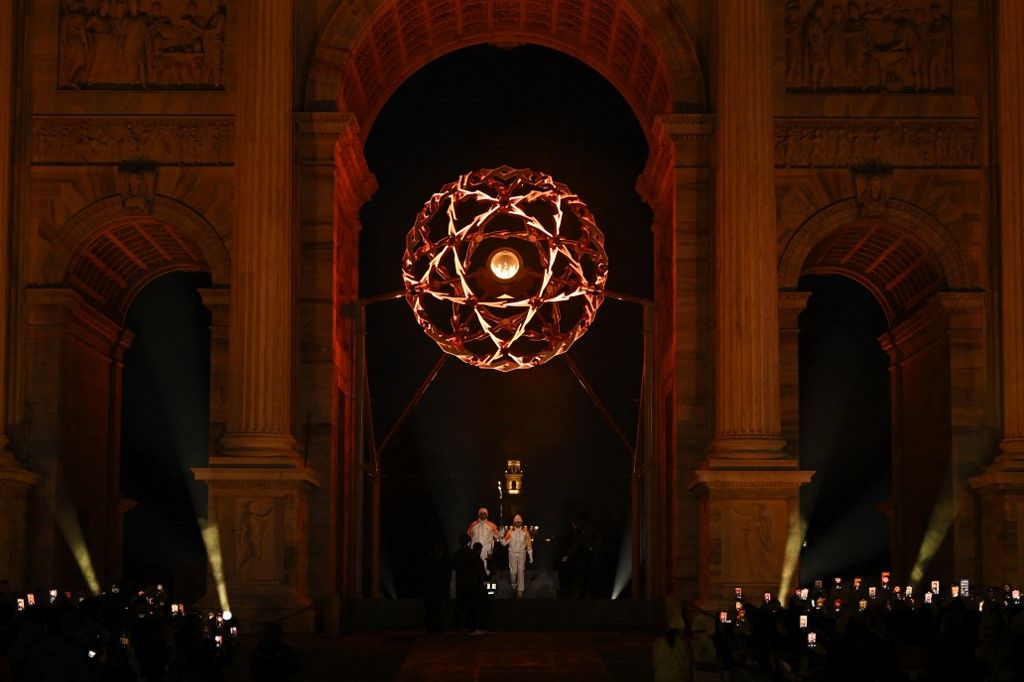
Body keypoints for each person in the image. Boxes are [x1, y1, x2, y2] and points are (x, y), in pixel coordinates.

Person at [500, 514, 533, 598]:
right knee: (513, 572)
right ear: (514, 523)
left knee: (521, 571)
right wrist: (501, 535)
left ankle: (520, 590)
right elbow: (503, 543)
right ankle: (513, 583)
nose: (518, 523)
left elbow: (529, 545)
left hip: (522, 553)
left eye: (519, 522)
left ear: (521, 523)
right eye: (516, 522)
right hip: (512, 553)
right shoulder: (510, 532)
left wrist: (531, 556)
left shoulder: (526, 532)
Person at [422, 542, 451, 633]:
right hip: (438, 588)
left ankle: (430, 627)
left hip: (430, 588)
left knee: (430, 609)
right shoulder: (439, 561)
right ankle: (437, 627)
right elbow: (443, 573)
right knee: (438, 609)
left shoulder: (429, 559)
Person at [466, 507, 500, 574]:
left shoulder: (491, 525)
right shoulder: (473, 524)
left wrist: (500, 534)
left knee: (485, 565)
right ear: (478, 514)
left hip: (486, 548)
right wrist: (467, 547)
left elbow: (497, 536)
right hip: (475, 548)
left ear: (487, 515)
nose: (482, 515)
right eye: (481, 513)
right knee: (475, 564)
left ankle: (485, 581)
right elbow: (468, 536)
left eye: (484, 513)